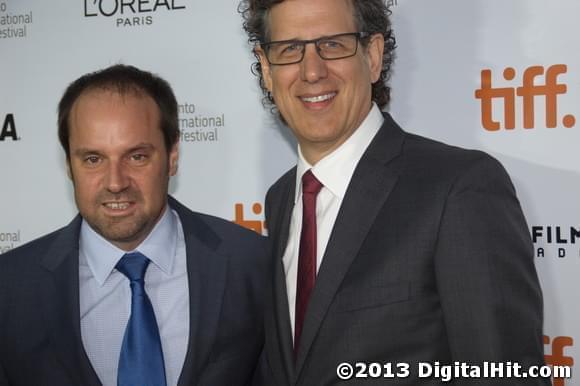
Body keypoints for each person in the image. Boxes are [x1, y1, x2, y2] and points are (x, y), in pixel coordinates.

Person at [240, 0, 548, 385]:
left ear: (372, 55)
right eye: (289, 50)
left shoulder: (459, 187)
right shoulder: (281, 198)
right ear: (267, 69)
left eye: (333, 45)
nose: (312, 71)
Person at [0, 64, 268, 386]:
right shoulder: (11, 288)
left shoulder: (252, 263)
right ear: (69, 164)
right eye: (93, 159)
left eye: (137, 156)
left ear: (172, 156)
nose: (115, 183)